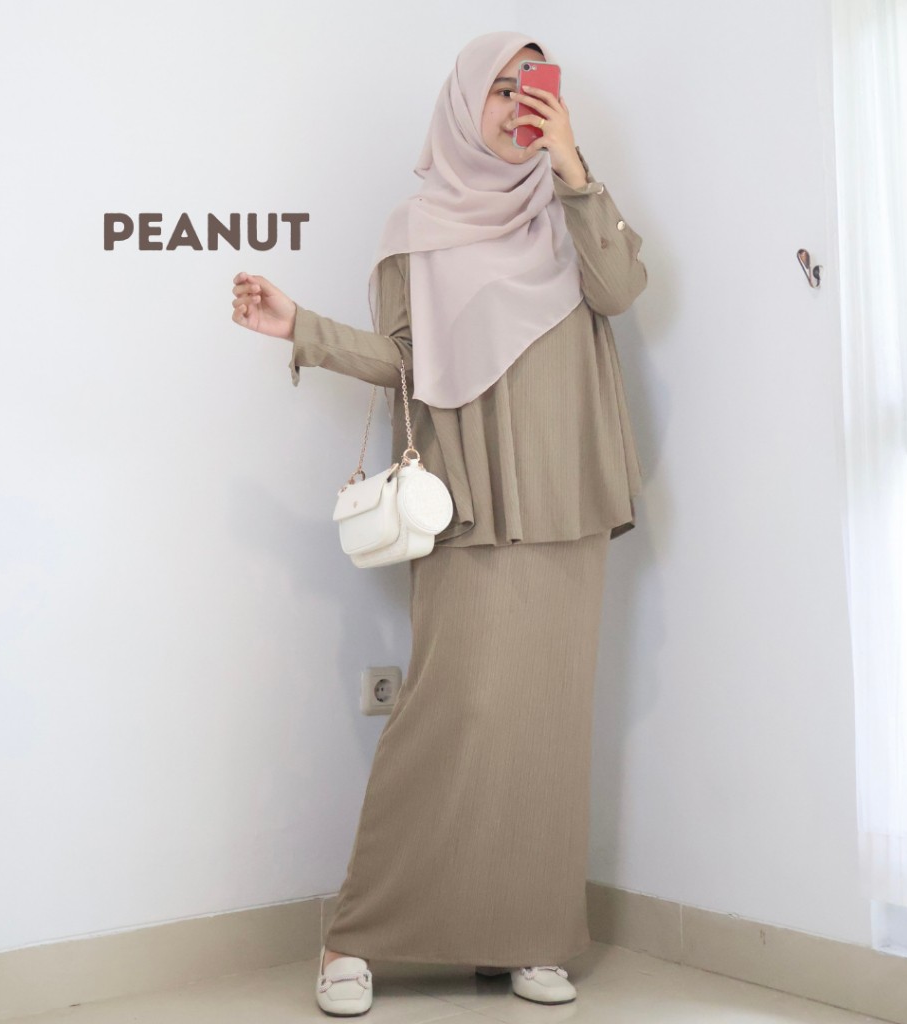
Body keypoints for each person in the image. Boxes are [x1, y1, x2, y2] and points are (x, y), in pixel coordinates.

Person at [231, 30, 647, 1017]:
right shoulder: (414, 232)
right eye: (499, 89)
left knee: (548, 728)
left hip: (570, 494)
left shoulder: (568, 211)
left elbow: (622, 290)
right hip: (471, 494)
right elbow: (402, 360)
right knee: (448, 716)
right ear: (463, 105)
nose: (516, 106)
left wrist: (574, 170)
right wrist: (302, 328)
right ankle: (357, 933)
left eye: (533, 87)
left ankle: (528, 933)